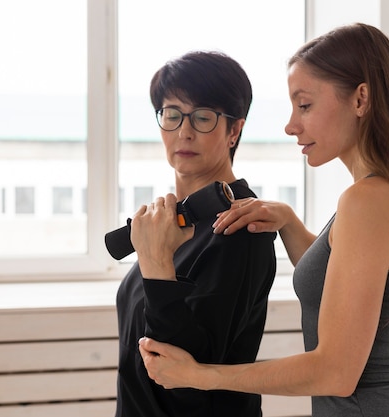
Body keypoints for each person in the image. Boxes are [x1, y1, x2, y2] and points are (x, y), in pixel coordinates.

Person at [138, 23, 389, 417]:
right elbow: (345, 286)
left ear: (361, 99)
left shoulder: (369, 201)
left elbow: (336, 372)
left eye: (305, 105)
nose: (291, 125)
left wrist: (203, 375)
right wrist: (289, 222)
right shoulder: (381, 195)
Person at [114, 51, 277, 417]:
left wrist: (156, 267)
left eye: (203, 117)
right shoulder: (175, 221)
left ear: (234, 130)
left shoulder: (242, 227)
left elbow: (188, 375)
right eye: (172, 115)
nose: (184, 131)